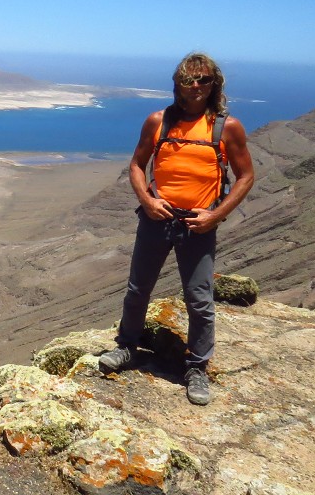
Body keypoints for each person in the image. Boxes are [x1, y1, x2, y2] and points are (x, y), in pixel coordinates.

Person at [98, 52, 255, 406]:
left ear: (214, 83)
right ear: (178, 84)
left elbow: (246, 176)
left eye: (204, 79)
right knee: (138, 289)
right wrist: (148, 200)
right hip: (156, 218)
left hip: (198, 224)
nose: (196, 86)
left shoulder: (226, 127)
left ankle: (196, 367)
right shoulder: (158, 121)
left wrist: (215, 216)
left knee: (199, 300)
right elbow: (137, 165)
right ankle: (126, 348)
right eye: (189, 80)